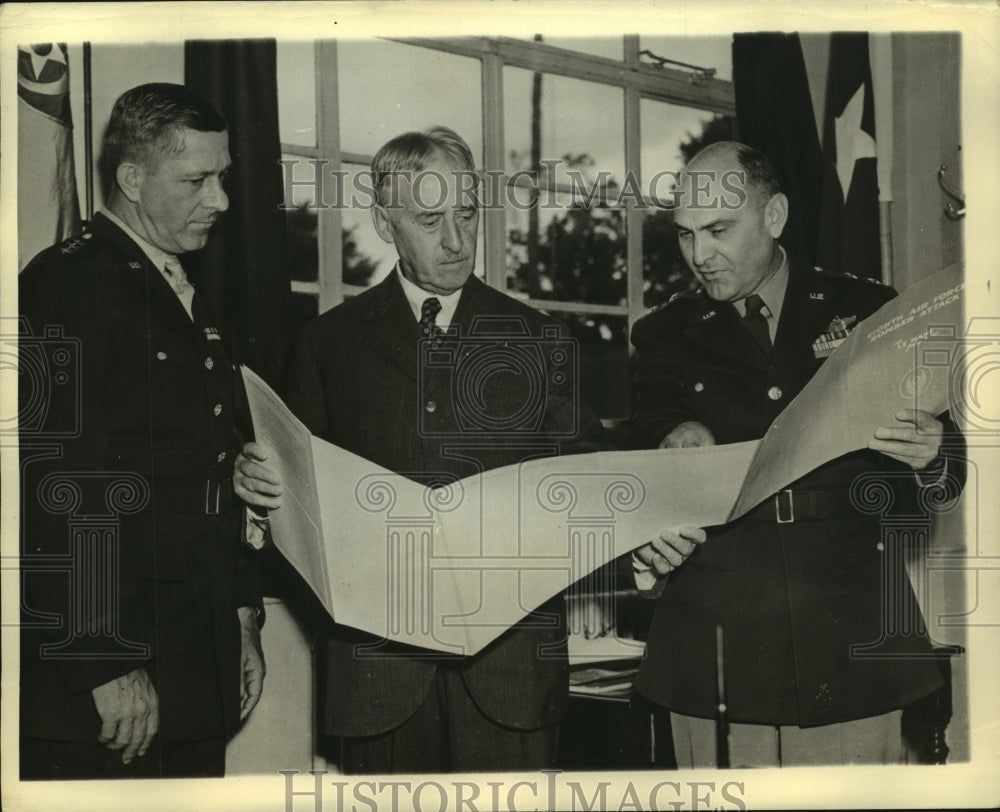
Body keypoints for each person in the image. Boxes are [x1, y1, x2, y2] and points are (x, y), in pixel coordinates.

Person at [235, 126, 640, 773]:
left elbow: (589, 482)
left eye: (467, 214)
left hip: (510, 678)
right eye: (430, 219)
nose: (456, 241)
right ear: (385, 221)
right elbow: (294, 505)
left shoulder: (539, 339)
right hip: (377, 678)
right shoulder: (327, 346)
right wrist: (259, 491)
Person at [628, 141, 964, 767]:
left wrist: (933, 449)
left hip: (851, 627)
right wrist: (673, 443)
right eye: (685, 234)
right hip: (716, 636)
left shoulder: (868, 310)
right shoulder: (663, 333)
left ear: (774, 216)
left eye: (719, 229)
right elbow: (651, 434)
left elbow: (952, 466)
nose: (700, 256)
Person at [18, 83, 264, 779]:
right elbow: (56, 481)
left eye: (222, 178)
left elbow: (218, 467)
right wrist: (103, 657)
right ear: (132, 179)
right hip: (108, 691)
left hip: (191, 660)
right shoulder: (66, 286)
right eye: (196, 180)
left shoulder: (182, 289)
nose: (219, 201)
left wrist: (242, 617)